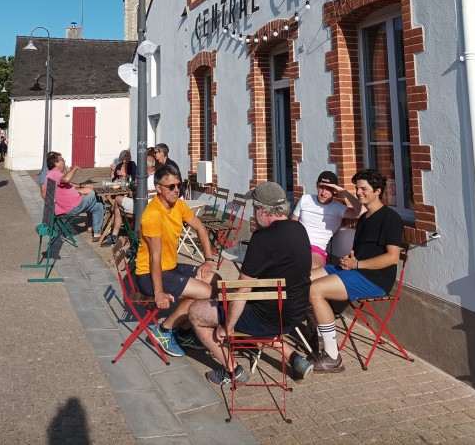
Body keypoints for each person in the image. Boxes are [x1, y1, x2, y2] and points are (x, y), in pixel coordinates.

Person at [188, 181, 314, 385]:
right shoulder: (299, 229)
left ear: (262, 210)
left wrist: (227, 327)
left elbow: (242, 291)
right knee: (248, 306)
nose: (254, 214)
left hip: (270, 317)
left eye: (254, 208)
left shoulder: (262, 238)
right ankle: (293, 357)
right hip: (295, 312)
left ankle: (232, 371)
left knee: (196, 312)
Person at [308, 168, 404, 373]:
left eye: (363, 189)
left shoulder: (390, 218)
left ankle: (332, 357)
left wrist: (357, 265)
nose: (359, 193)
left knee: (315, 290)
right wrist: (349, 261)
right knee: (303, 279)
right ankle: (317, 330)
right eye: (357, 188)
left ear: (377, 191)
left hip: (375, 278)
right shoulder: (365, 218)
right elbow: (361, 252)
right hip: (355, 270)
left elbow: (392, 257)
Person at [135, 163, 217, 358]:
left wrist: (208, 259)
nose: (176, 190)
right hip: (149, 274)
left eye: (178, 185)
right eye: (170, 186)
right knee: (207, 293)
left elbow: (200, 228)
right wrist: (159, 293)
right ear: (158, 188)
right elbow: (155, 256)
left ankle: (185, 332)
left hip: (170, 267)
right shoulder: (152, 214)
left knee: (215, 280)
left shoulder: (178, 205)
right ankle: (164, 330)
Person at [291, 170, 362, 276]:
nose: (323, 193)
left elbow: (360, 212)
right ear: (317, 186)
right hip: (296, 244)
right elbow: (292, 225)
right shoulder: (305, 199)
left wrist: (344, 191)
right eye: (321, 187)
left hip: (316, 249)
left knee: (313, 266)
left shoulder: (337, 208)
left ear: (334, 190)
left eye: (328, 188)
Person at [41, 152, 106, 241]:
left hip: (67, 207)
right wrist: (74, 168)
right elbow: (66, 179)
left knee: (98, 206)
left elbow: (66, 185)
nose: (64, 161)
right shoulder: (55, 174)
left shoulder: (49, 175)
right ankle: (105, 218)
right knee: (95, 193)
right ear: (56, 163)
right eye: (62, 160)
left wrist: (81, 186)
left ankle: (97, 233)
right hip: (74, 207)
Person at [106, 148, 155, 246]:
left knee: (117, 200)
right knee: (120, 199)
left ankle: (115, 234)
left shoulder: (144, 177)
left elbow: (136, 187)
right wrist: (112, 171)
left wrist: (133, 187)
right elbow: (113, 179)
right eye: (125, 155)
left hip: (142, 206)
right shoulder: (156, 176)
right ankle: (122, 229)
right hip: (152, 205)